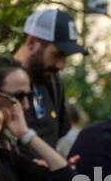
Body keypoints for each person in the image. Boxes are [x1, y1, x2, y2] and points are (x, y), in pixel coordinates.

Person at [12, 8, 85, 150]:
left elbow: (59, 138)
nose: (62, 65)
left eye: (66, 57)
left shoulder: (53, 82)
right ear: (31, 43)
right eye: (57, 55)